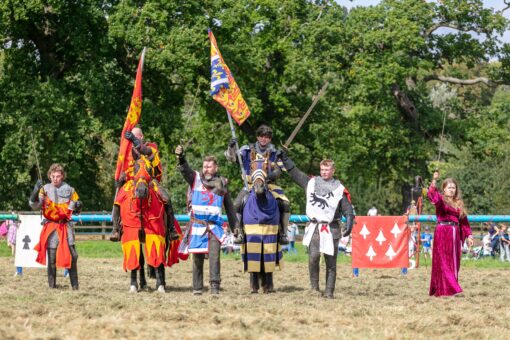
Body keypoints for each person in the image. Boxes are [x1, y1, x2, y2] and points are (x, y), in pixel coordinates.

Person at [278, 150, 354, 298]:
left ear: (333, 170)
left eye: (327, 170)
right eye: (322, 169)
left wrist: (350, 219)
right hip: (314, 227)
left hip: (331, 227)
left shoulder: (339, 189)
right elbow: (295, 172)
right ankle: (314, 289)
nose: (324, 172)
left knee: (330, 262)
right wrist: (284, 158)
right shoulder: (311, 183)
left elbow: (347, 208)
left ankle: (329, 292)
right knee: (313, 257)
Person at [175, 145, 237, 295]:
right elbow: (186, 170)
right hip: (197, 226)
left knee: (215, 258)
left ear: (216, 168)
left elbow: (229, 208)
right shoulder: (195, 179)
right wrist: (181, 158)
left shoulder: (222, 184)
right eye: (205, 166)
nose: (206, 169)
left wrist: (236, 229)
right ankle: (197, 288)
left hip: (215, 227)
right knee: (197, 257)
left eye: (209, 167)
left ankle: (214, 287)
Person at [110, 126, 178, 242]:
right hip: (132, 182)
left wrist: (134, 141)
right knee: (118, 199)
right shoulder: (126, 151)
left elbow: (147, 153)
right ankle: (116, 229)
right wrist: (121, 177)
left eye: (136, 136)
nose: (132, 139)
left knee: (166, 197)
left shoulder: (151, 147)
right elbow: (125, 168)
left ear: (141, 137)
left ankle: (171, 229)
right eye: (131, 137)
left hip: (150, 181)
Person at [225, 125, 289, 245]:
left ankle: (283, 233)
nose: (264, 139)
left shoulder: (275, 152)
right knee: (236, 204)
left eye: (267, 137)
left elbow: (280, 170)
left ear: (270, 139)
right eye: (261, 136)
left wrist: (269, 175)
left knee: (284, 203)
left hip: (270, 185)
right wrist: (231, 147)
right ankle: (238, 232)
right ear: (257, 137)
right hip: (249, 185)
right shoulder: (247, 150)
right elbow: (232, 159)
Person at [29, 164, 82, 289]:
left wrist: (79, 205)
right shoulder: (45, 189)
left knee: (72, 256)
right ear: (49, 176)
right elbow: (34, 205)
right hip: (51, 227)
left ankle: (75, 287)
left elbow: (76, 209)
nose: (55, 179)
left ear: (62, 176)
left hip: (65, 227)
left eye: (58, 176)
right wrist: (35, 191)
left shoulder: (70, 190)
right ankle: (52, 286)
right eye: (53, 176)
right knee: (51, 258)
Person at [427, 170, 473, 297]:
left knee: (454, 262)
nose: (452, 190)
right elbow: (432, 195)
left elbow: (464, 221)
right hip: (443, 232)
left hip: (455, 234)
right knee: (444, 261)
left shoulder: (459, 203)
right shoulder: (440, 200)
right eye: (449, 187)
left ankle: (449, 288)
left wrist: (469, 235)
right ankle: (453, 288)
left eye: (454, 187)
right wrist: (434, 180)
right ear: (444, 189)